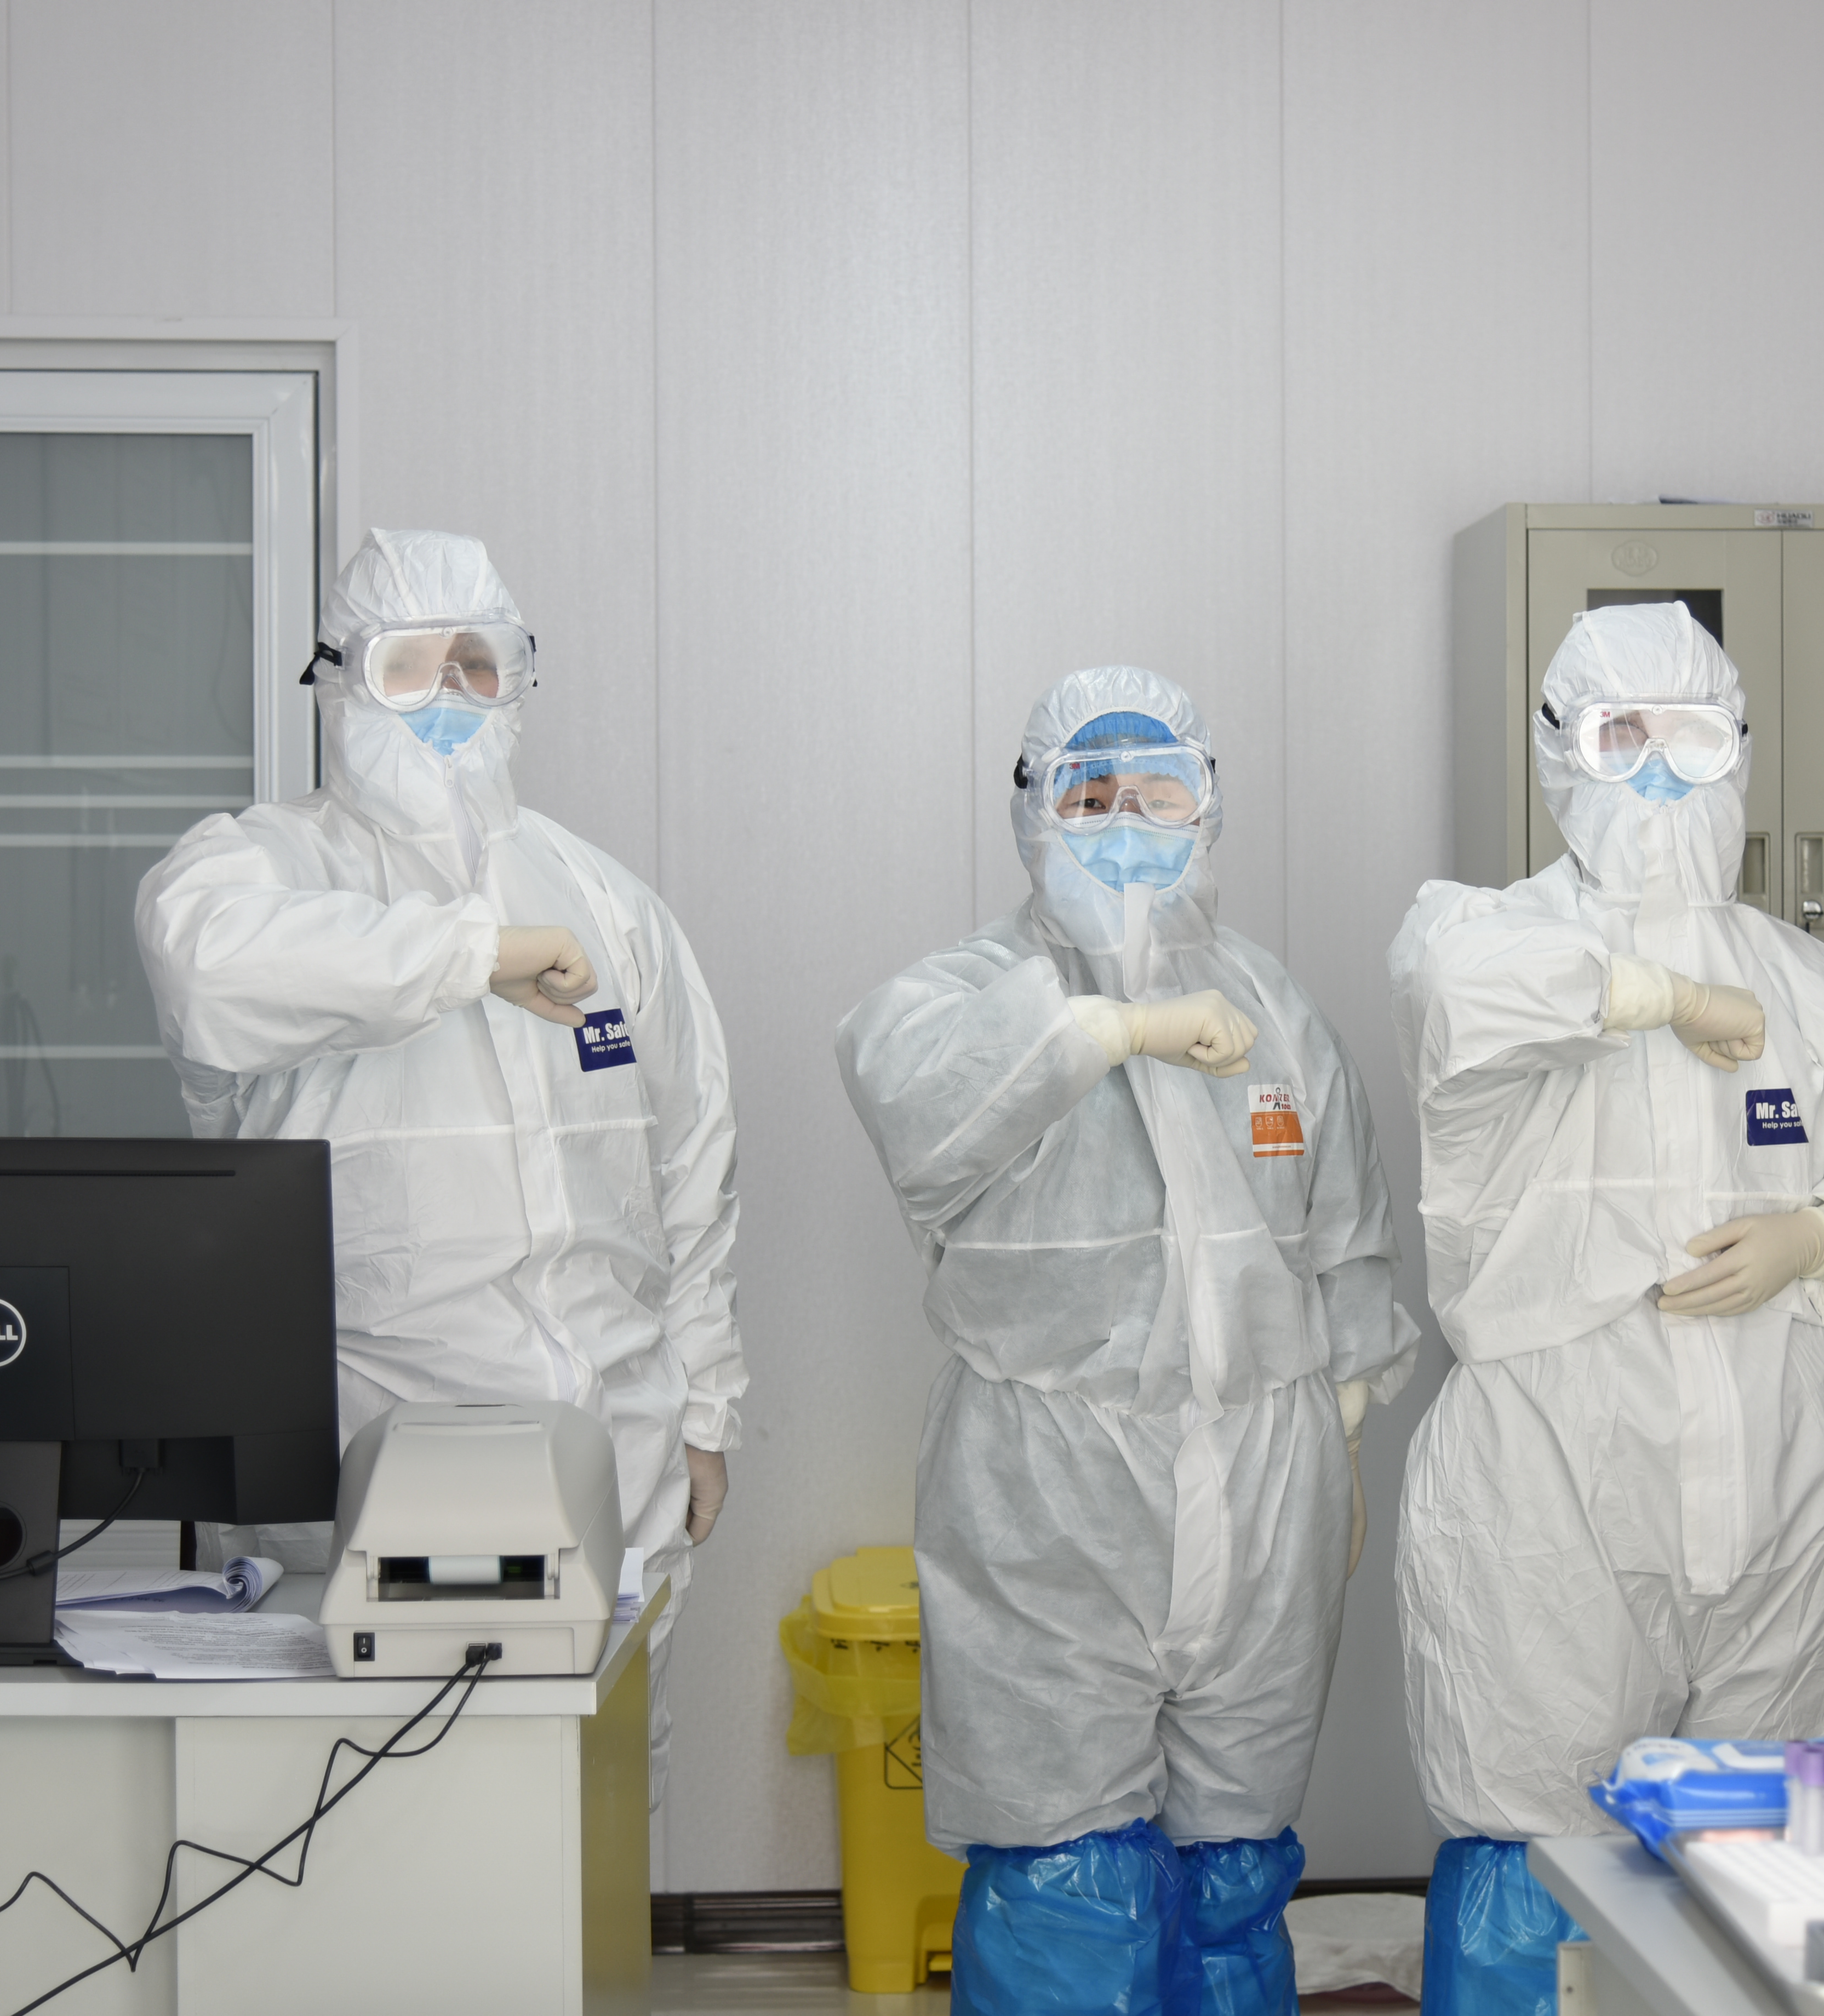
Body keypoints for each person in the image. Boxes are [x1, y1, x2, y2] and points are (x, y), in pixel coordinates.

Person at [1387, 604, 1824, 2013]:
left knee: (1777, 1855)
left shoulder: (1818, 990)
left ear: (1743, 750)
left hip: (1786, 1491)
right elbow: (1460, 992)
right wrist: (1663, 995)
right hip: (1554, 1495)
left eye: (1691, 737)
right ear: (1558, 750)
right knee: (1542, 1852)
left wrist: (1823, 1233)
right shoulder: (1486, 940)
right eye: (1618, 735)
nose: (1656, 772)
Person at [837, 667, 1417, 2016]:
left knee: (1235, 1858)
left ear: (1209, 807)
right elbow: (915, 1104)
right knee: (1065, 1868)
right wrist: (1115, 1028)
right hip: (1053, 1492)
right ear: (1031, 809)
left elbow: (1346, 1239)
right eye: (1088, 794)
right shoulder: (966, 996)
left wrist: (1341, 1433)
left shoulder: (1279, 1013)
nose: (1125, 823)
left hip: (1264, 1480)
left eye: (1159, 791)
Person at [135, 527, 743, 1808]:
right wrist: (476, 953)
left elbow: (691, 1167)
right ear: (338, 680)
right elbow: (207, 973)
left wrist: (705, 1414)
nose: (451, 697)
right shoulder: (267, 865)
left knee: (591, 1819)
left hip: (614, 1457)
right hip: (366, 1465)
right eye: (410, 665)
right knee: (364, 1817)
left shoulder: (607, 901)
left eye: (480, 663)